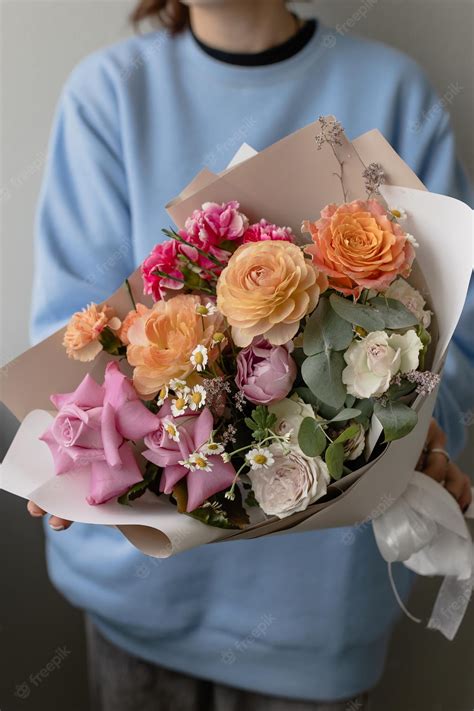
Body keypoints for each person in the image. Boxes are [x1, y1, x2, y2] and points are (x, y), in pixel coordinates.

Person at [27, 1, 474, 709]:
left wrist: (419, 432)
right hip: (135, 600)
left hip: (317, 615)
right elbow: (70, 336)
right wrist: (70, 448)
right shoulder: (111, 92)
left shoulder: (396, 94)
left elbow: (458, 347)